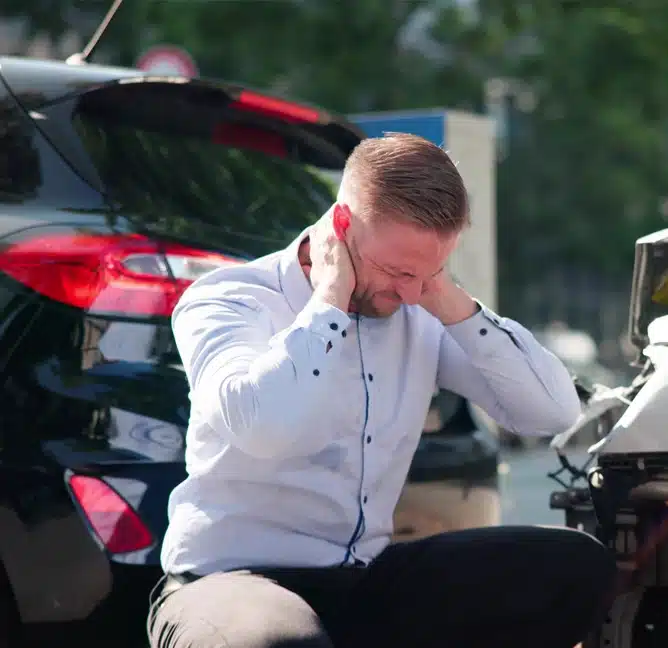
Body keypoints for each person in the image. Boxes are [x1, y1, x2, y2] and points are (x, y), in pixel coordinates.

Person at [146, 133, 617, 648]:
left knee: (573, 567)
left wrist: (448, 297)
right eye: (397, 271)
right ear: (341, 227)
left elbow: (551, 412)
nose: (411, 292)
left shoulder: (418, 305)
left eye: (430, 271)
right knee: (279, 643)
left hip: (364, 580)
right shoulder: (228, 299)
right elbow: (263, 429)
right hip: (230, 582)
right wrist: (329, 301)